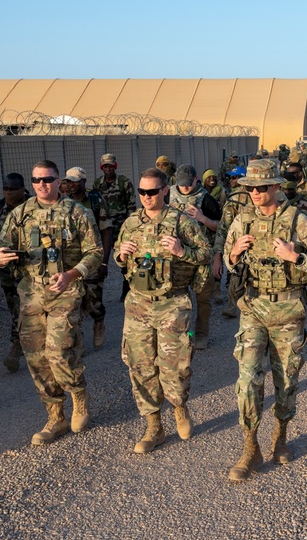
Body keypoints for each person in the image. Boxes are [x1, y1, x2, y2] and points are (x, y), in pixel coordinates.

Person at [223, 159, 307, 482]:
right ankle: (250, 447)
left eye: (261, 188)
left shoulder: (296, 221)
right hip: (254, 309)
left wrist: (295, 256)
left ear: (275, 186)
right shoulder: (242, 221)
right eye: (250, 188)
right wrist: (232, 256)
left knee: (286, 382)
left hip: (287, 312)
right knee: (247, 381)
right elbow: (231, 265)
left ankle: (281, 436)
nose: (255, 193)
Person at [0, 160, 104, 445]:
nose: (42, 185)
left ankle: (78, 393)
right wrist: (0, 258)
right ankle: (56, 417)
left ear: (59, 181)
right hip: (30, 293)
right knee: (36, 359)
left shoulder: (76, 212)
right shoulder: (19, 214)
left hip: (64, 290)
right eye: (37, 180)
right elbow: (1, 248)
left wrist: (71, 274)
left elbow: (95, 253)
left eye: (48, 179)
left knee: (58, 351)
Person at [116, 168, 211, 453]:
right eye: (142, 192)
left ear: (165, 190)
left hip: (173, 303)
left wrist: (183, 252)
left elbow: (205, 252)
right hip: (138, 304)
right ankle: (154, 426)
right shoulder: (131, 222)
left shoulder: (181, 221)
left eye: (152, 191)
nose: (147, 197)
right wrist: (121, 254)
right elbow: (119, 259)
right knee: (141, 366)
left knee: (175, 365)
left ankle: (180, 407)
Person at [167, 164, 221, 350]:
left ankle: (201, 333)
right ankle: (180, 333)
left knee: (203, 297)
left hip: (200, 255)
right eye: (181, 184)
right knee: (176, 296)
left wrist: (202, 218)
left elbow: (221, 228)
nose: (185, 188)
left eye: (189, 184)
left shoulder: (206, 199)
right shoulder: (168, 194)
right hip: (176, 255)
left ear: (197, 179)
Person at [0, 173, 30, 372]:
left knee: (23, 309)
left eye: (12, 189)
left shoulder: (34, 208)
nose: (8, 192)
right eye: (5, 189)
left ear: (22, 189)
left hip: (32, 270)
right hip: (8, 272)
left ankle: (17, 347)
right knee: (15, 310)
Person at [64, 167, 113, 348]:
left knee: (94, 301)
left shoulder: (95, 201)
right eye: (68, 181)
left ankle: (99, 322)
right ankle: (78, 341)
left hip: (92, 257)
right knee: (72, 303)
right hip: (72, 260)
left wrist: (104, 262)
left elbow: (106, 232)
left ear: (84, 181)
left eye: (75, 181)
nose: (71, 185)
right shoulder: (64, 203)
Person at [93, 153, 135, 299]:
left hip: (120, 228)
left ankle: (127, 289)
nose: (108, 169)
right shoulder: (98, 183)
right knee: (100, 259)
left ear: (115, 166)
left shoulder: (124, 182)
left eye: (111, 166)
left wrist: (129, 226)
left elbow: (131, 205)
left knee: (124, 260)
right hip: (105, 227)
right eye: (105, 166)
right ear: (102, 167)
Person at [213, 165, 251, 319]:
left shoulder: (238, 199)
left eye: (235, 177)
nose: (231, 180)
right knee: (235, 276)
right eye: (230, 177)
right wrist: (218, 255)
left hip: (251, 247)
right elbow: (223, 228)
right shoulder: (235, 199)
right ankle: (234, 304)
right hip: (239, 247)